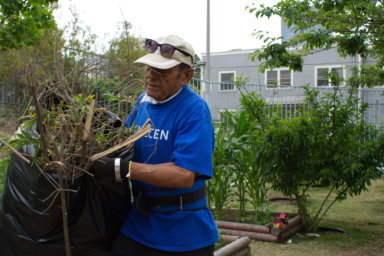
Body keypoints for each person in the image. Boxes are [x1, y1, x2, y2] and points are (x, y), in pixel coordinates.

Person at [92, 34, 219, 256]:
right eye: (149, 68)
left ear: (186, 75)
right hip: (140, 222)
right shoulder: (144, 101)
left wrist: (122, 169)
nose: (151, 75)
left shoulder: (193, 110)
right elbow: (123, 141)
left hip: (182, 232)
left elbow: (184, 174)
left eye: (162, 71)